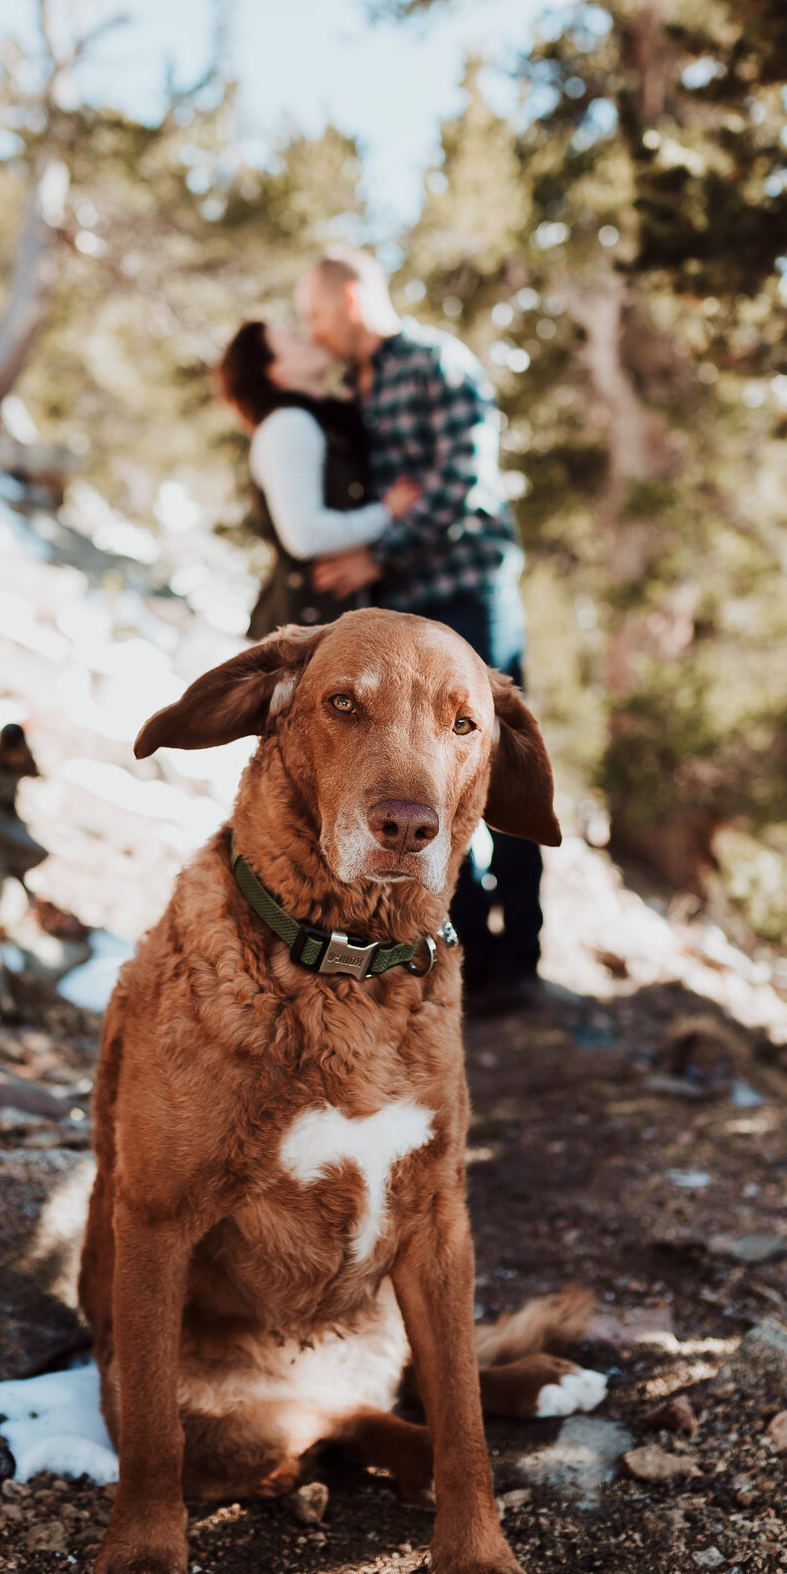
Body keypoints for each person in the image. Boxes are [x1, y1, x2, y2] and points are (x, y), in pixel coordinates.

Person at [299, 248, 543, 1016]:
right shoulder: (356, 391)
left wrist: (379, 550)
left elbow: (463, 477)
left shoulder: (436, 361)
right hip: (412, 618)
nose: (315, 330)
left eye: (315, 313)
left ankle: (522, 953)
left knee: (497, 771)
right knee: (424, 780)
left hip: (470, 596)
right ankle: (461, 952)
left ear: (349, 297)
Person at [215, 319, 419, 638]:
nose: (310, 337)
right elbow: (305, 536)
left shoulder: (310, 420)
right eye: (294, 339)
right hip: (302, 637)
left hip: (312, 630)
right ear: (277, 372)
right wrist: (386, 514)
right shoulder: (290, 424)